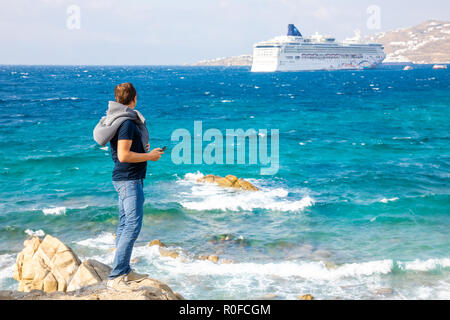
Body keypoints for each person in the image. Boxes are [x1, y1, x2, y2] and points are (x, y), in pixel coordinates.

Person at [93, 82, 164, 290]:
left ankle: (123, 270)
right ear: (133, 99)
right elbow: (124, 155)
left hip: (127, 179)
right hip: (129, 180)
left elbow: (123, 150)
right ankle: (117, 276)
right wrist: (149, 156)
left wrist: (144, 149)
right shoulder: (127, 123)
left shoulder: (119, 120)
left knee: (125, 226)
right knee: (132, 226)